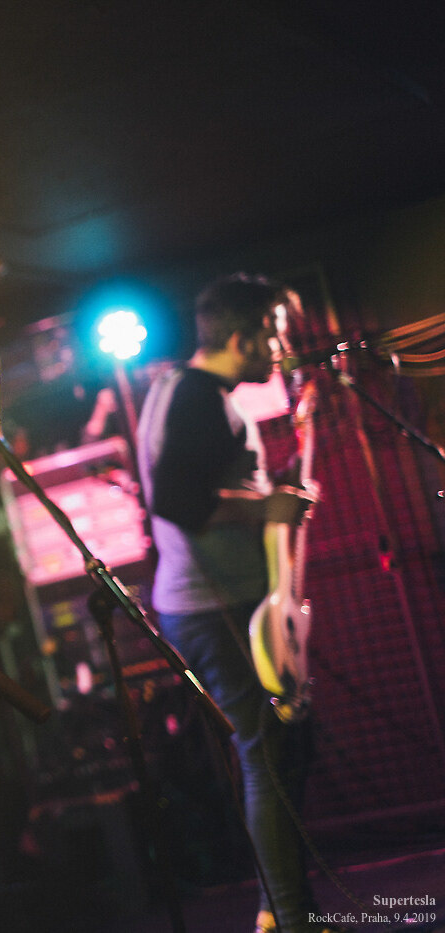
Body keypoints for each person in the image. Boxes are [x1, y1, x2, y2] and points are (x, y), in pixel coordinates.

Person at [135, 274, 334, 933]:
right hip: (214, 607)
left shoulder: (198, 393)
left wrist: (274, 496)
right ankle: (290, 918)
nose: (281, 348)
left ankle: (282, 909)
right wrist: (266, 506)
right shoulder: (195, 394)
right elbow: (174, 501)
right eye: (274, 333)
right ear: (244, 338)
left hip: (229, 600)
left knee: (283, 748)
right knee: (268, 754)